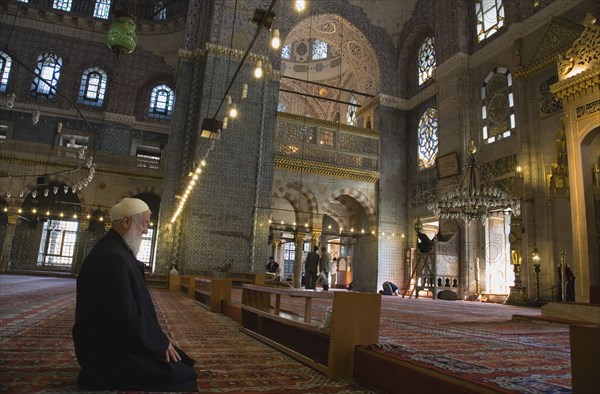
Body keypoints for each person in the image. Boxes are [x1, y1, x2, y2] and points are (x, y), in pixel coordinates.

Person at [72, 198, 197, 391]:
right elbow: (126, 314)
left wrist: (160, 341)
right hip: (102, 349)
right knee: (180, 375)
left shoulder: (117, 250)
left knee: (181, 362)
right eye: (145, 224)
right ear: (126, 222)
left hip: (117, 337)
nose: (147, 231)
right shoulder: (111, 257)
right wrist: (159, 342)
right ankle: (97, 373)